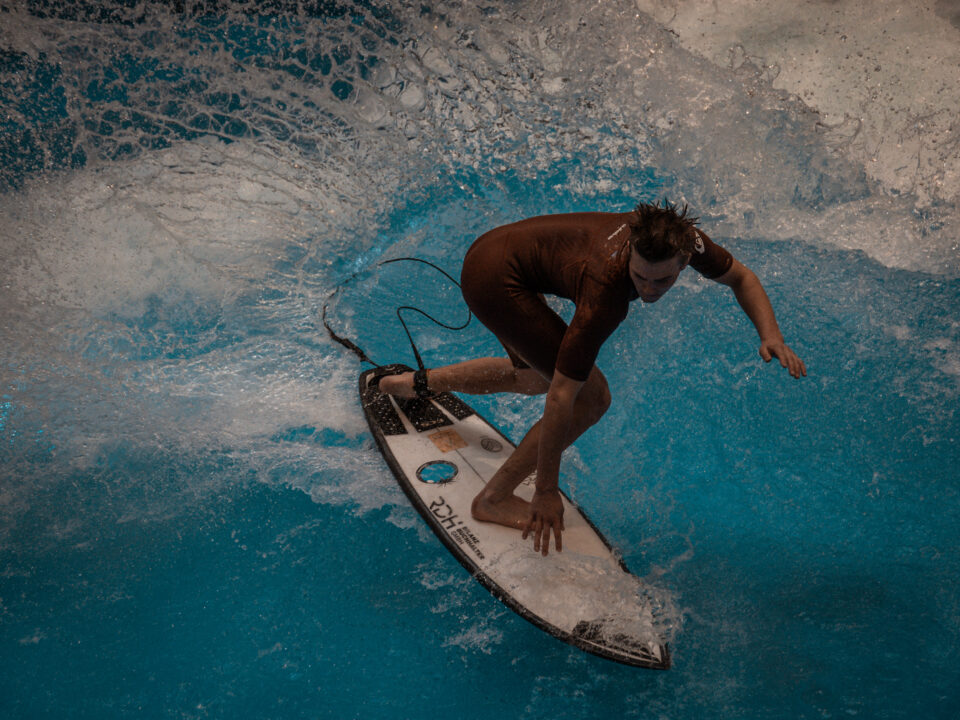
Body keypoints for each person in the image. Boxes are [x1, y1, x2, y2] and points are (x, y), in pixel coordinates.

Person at [379, 201, 806, 556]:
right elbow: (564, 399)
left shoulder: (687, 240)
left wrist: (771, 336)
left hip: (498, 250)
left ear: (685, 259)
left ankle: (412, 385)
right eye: (640, 278)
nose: (650, 290)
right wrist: (546, 490)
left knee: (532, 377)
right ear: (630, 259)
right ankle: (493, 499)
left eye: (664, 280)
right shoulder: (606, 292)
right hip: (495, 278)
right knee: (592, 398)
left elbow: (742, 277)